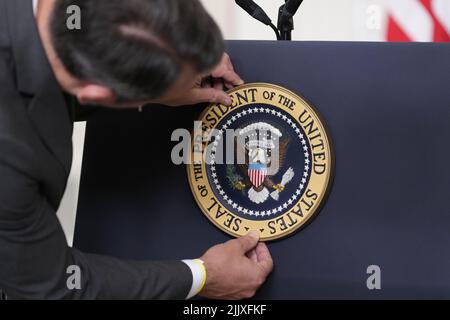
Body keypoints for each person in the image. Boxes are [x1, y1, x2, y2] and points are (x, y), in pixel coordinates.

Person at [0, 0, 273, 300]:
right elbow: (53, 283)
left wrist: (181, 56)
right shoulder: (11, 157)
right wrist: (203, 275)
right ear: (97, 93)